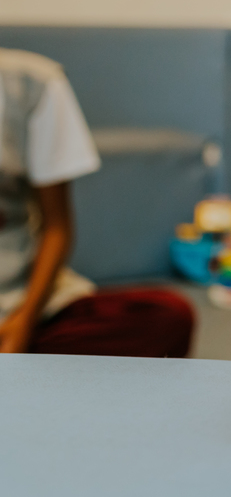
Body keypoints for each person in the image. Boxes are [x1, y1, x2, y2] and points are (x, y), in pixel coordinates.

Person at [0, 48, 194, 358]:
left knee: (167, 315)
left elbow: (56, 226)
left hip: (22, 306)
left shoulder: (32, 84)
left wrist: (23, 321)